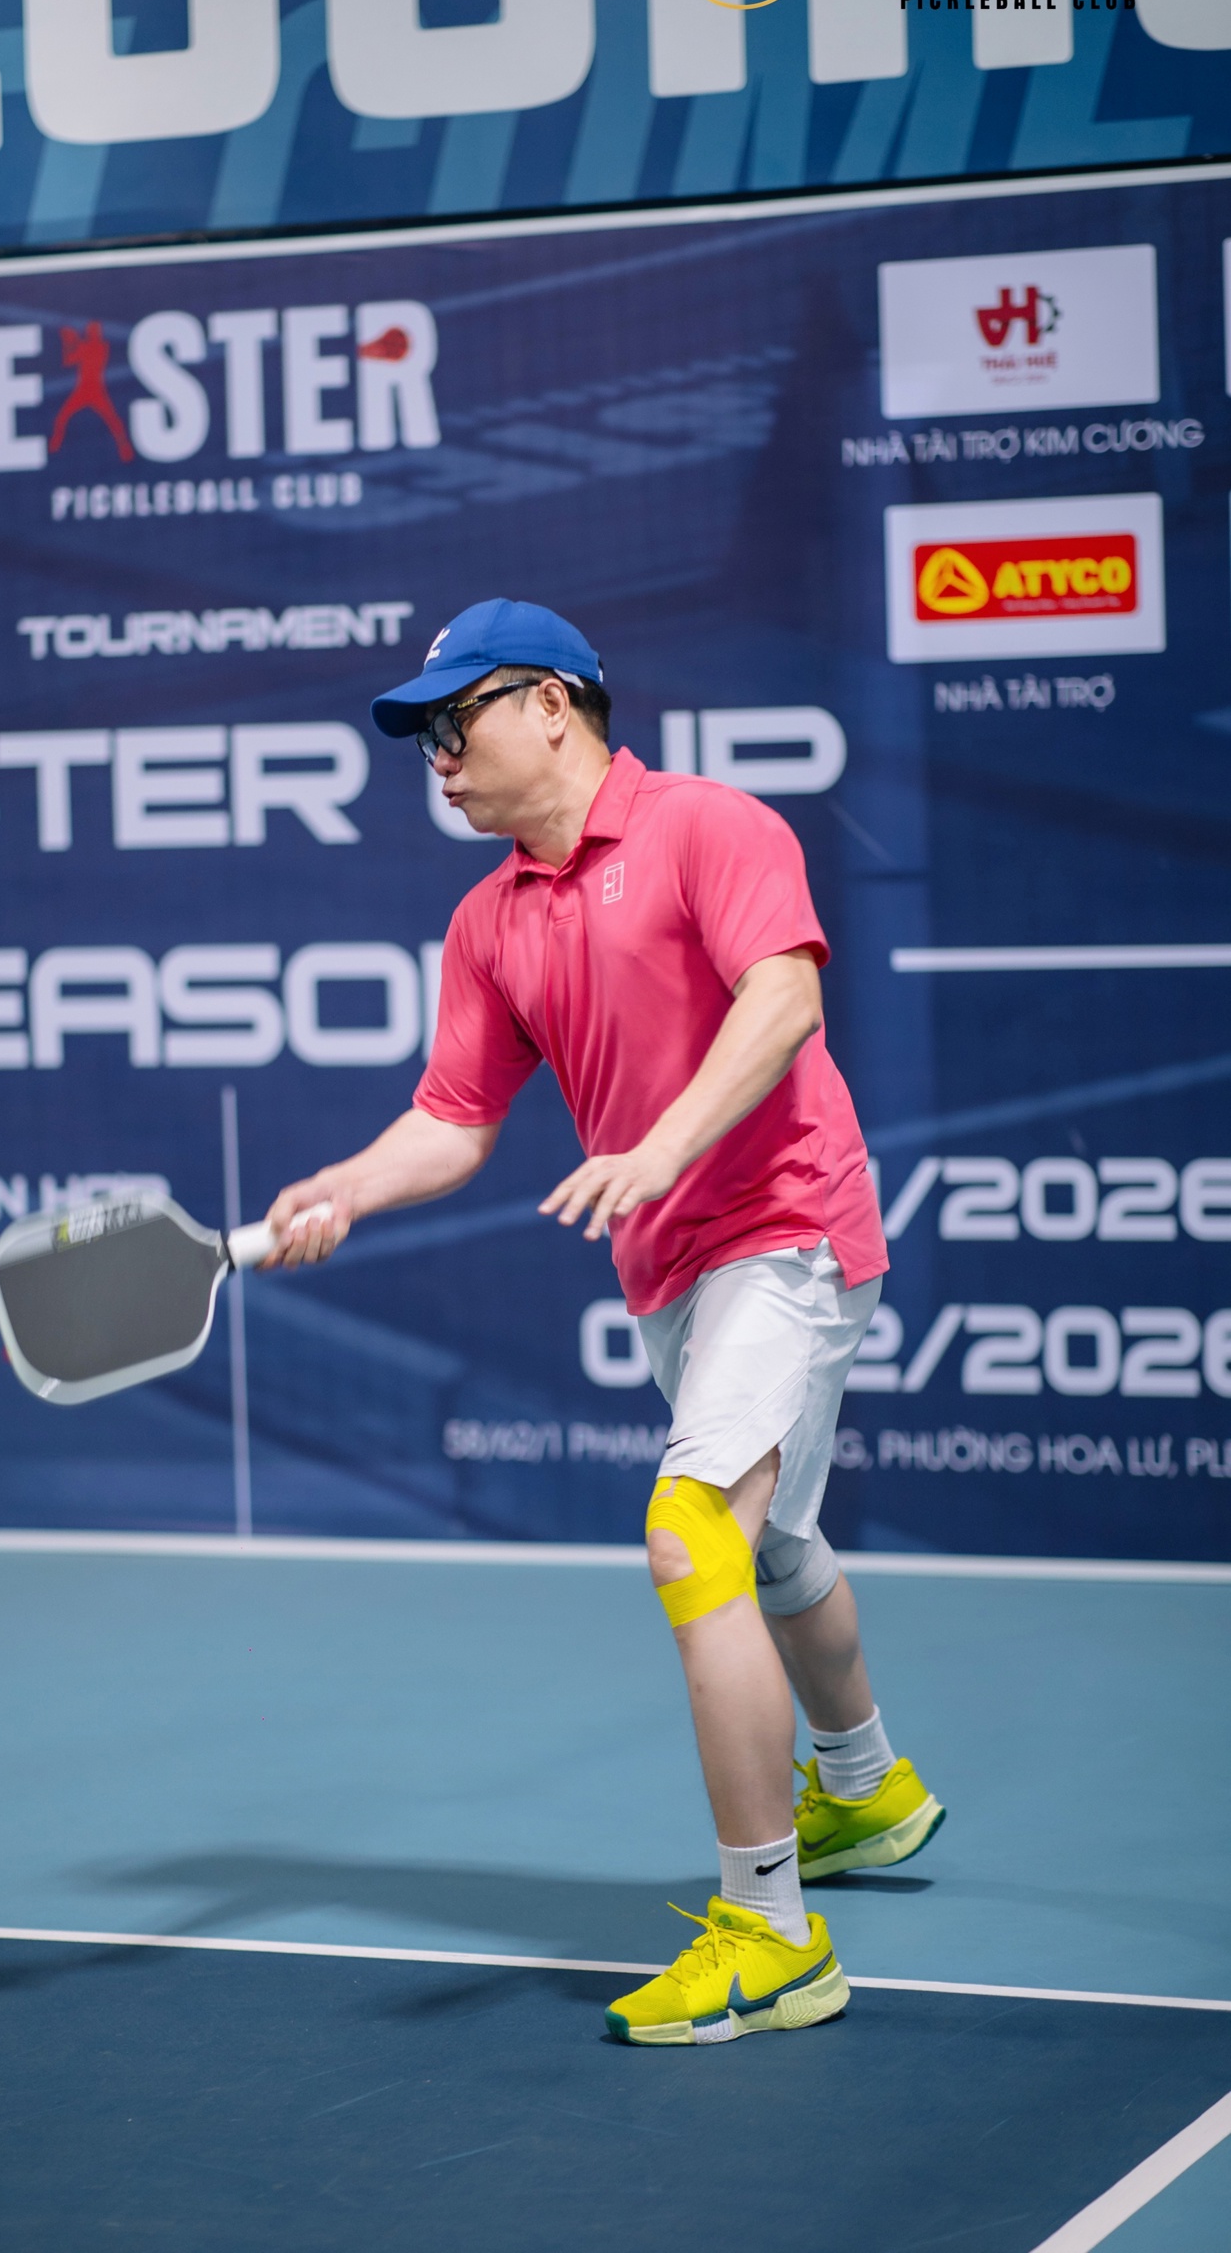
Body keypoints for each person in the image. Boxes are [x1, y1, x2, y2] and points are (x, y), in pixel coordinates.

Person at [260, 599, 944, 2048]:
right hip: (668, 1267)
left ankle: (772, 1934)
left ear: (551, 704)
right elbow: (456, 1119)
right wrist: (350, 1186)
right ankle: (867, 1786)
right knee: (773, 1544)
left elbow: (785, 999)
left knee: (691, 1533)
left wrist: (662, 1145)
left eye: (458, 722)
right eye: (425, 738)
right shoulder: (489, 921)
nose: (440, 759)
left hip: (789, 1229)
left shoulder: (708, 827)